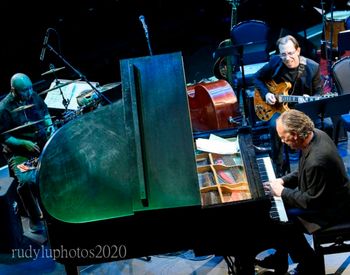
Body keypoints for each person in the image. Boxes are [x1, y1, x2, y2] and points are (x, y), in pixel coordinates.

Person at [255, 109, 350, 274]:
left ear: (295, 134)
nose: (283, 141)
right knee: (280, 211)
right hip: (325, 195)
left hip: (332, 209)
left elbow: (310, 201)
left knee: (283, 224)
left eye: (284, 137)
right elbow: (302, 170)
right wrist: (283, 181)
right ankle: (280, 260)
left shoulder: (317, 159)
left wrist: (282, 192)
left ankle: (310, 265)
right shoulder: (315, 135)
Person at [253, 34, 333, 177]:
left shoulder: (312, 67)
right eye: (283, 54)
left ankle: (317, 162)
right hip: (278, 108)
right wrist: (266, 94)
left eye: (290, 53)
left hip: (301, 108)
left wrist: (311, 99)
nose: (287, 58)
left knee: (327, 125)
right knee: (273, 126)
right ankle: (279, 166)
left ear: (298, 51)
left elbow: (319, 93)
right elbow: (257, 77)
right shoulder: (275, 62)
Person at [0, 73, 55, 233]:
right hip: (18, 151)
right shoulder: (3, 108)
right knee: (27, 181)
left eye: (31, 88)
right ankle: (35, 219)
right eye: (25, 90)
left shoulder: (33, 96)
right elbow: (4, 136)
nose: (29, 92)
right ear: (14, 90)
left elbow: (45, 113)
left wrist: (50, 126)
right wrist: (23, 143)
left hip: (39, 142)